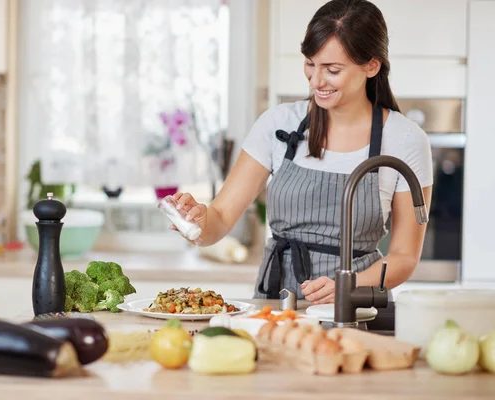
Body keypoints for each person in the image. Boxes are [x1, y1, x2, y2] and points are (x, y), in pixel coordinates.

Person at [171, 0, 433, 303]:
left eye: (332, 70)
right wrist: (196, 222)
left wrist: (349, 285)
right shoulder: (277, 123)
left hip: (356, 309)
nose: (316, 81)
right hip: (275, 304)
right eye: (310, 63)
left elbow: (404, 257)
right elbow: (218, 219)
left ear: (371, 65)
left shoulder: (406, 140)